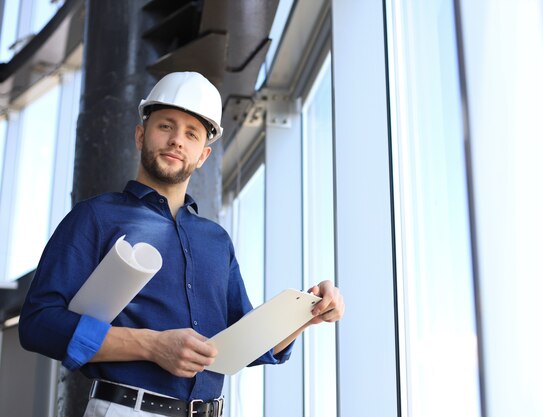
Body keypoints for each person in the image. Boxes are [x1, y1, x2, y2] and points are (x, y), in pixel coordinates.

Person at [18, 71, 344, 417]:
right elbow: (38, 324)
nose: (177, 140)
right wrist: (152, 345)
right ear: (141, 135)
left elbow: (242, 344)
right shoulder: (95, 217)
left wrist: (307, 313)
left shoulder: (216, 241)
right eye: (165, 127)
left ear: (202, 156)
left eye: (191, 134)